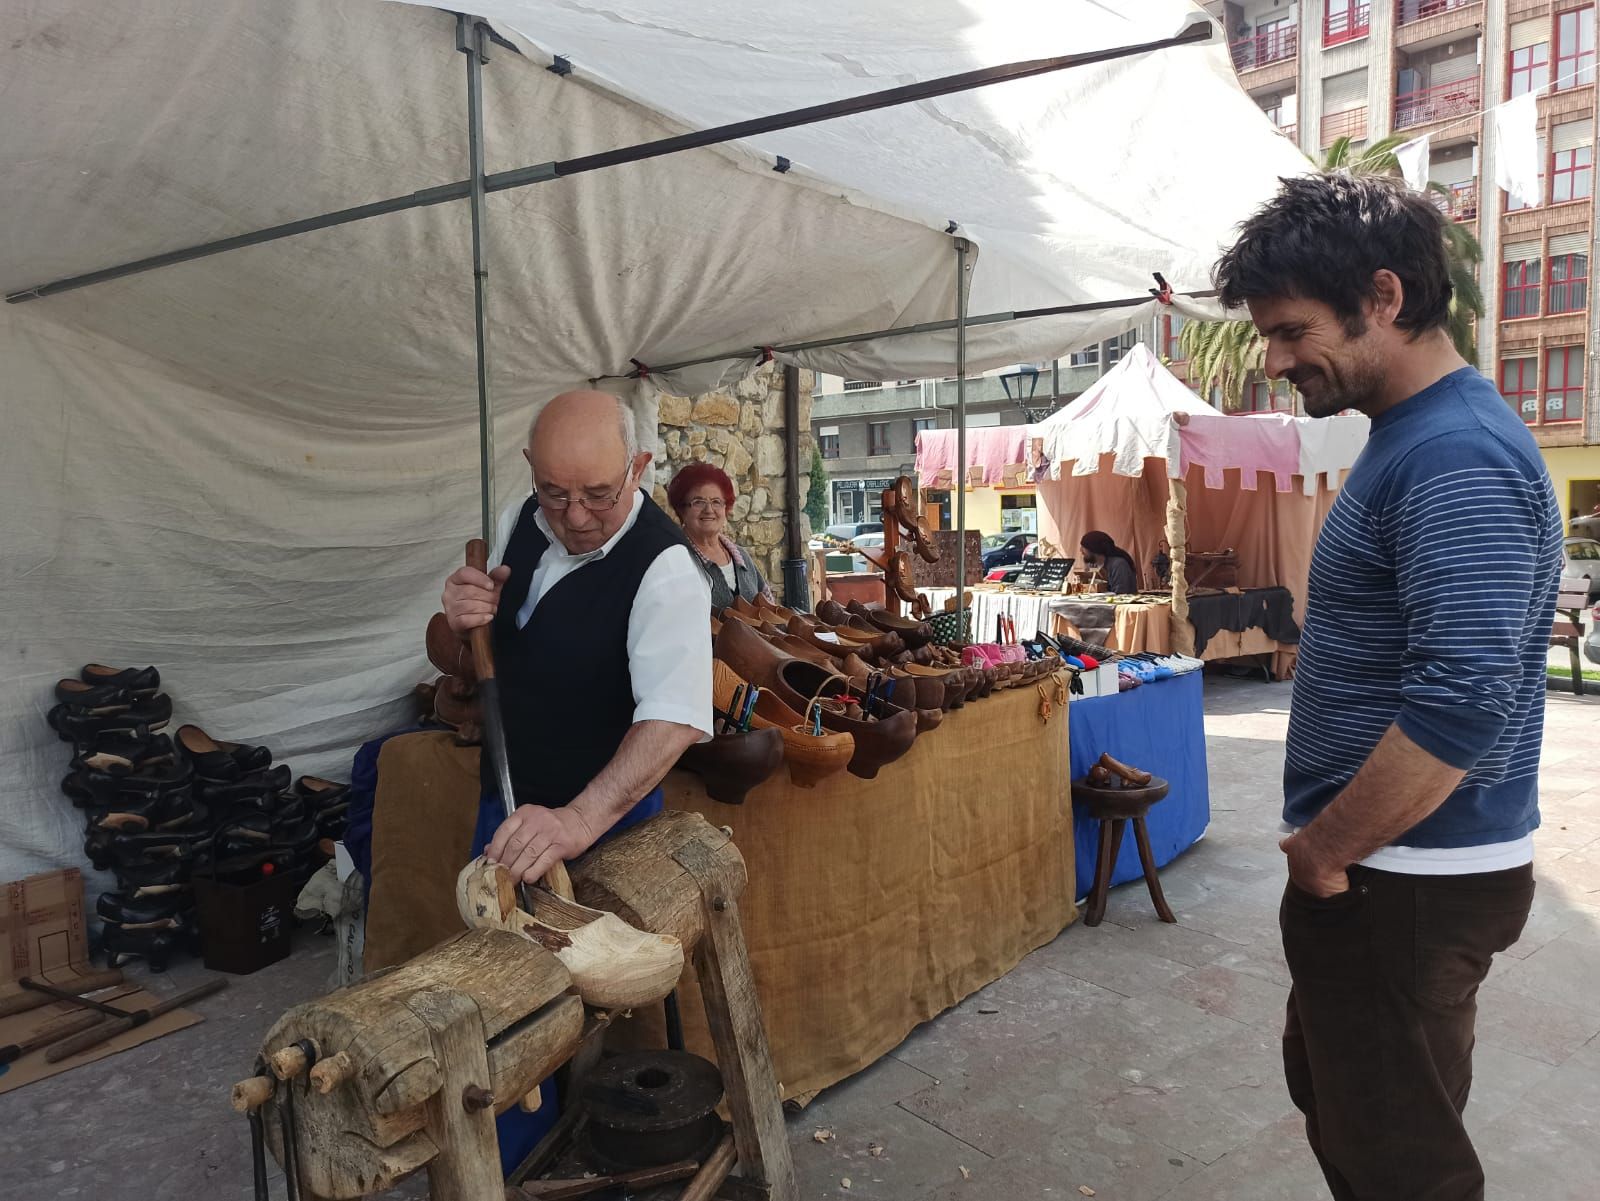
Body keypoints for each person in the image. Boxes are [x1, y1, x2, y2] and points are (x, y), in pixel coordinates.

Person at [1215, 173, 1561, 1200]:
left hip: (1403, 877)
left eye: (1289, 332)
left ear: (1384, 295)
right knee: (1356, 1110)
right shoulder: (1417, 436)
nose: (1274, 364)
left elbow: (1462, 697)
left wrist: (1326, 852)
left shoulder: (1453, 454)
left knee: (1400, 1165)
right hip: (1393, 872)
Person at [440, 390, 714, 885]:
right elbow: (494, 656)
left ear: (638, 467)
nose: (576, 516)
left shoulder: (665, 566)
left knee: (601, 959)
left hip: (609, 824)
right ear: (530, 468)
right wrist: (467, 623)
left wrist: (579, 820)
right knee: (500, 950)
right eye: (555, 493)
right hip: (505, 802)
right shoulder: (518, 520)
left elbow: (674, 720)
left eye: (598, 493)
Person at [666, 463, 776, 611]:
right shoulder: (676, 560)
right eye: (698, 502)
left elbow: (770, 610)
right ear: (681, 510)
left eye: (716, 502)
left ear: (726, 508)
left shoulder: (742, 558)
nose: (709, 510)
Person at [1079, 530, 1138, 594]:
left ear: (1093, 548)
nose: (1081, 550)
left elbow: (1121, 593)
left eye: (1083, 547)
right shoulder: (1093, 565)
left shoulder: (1119, 565)